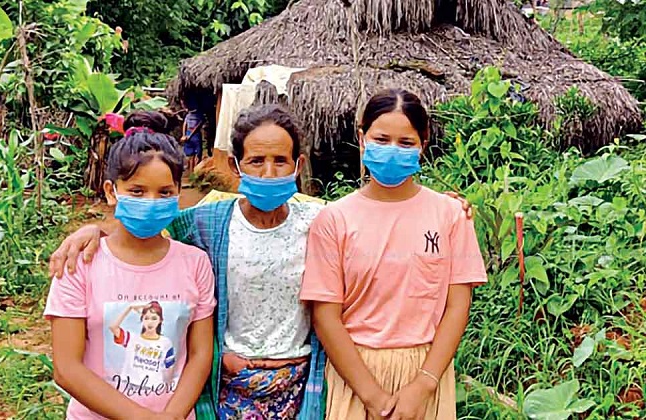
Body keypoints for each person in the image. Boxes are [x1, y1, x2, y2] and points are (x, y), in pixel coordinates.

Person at [48, 105, 473, 420]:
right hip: (228, 389)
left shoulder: (321, 220)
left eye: (280, 161)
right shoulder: (207, 222)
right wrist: (95, 231)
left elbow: (375, 221)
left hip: (302, 388)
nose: (269, 172)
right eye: (256, 161)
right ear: (236, 165)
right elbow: (148, 228)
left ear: (297, 165)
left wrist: (447, 207)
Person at [300, 89, 488, 420]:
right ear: (362, 138)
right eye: (381, 140)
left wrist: (423, 385)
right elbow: (326, 316)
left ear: (423, 144)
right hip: (354, 375)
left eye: (405, 143)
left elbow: (458, 305)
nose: (392, 150)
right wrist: (372, 397)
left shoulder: (450, 215)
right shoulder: (334, 219)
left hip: (427, 372)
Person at [45, 111, 216, 420]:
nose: (151, 201)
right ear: (111, 192)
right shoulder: (79, 264)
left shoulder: (195, 263)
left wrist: (173, 415)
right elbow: (67, 368)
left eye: (164, 192)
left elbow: (200, 354)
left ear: (179, 193)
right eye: (137, 191)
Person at [181, 100, 205, 175]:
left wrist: (185, 135)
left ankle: (192, 173)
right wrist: (187, 135)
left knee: (192, 155)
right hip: (195, 135)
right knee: (197, 154)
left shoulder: (188, 115)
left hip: (190, 133)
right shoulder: (199, 115)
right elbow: (197, 127)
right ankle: (193, 173)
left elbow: (185, 125)